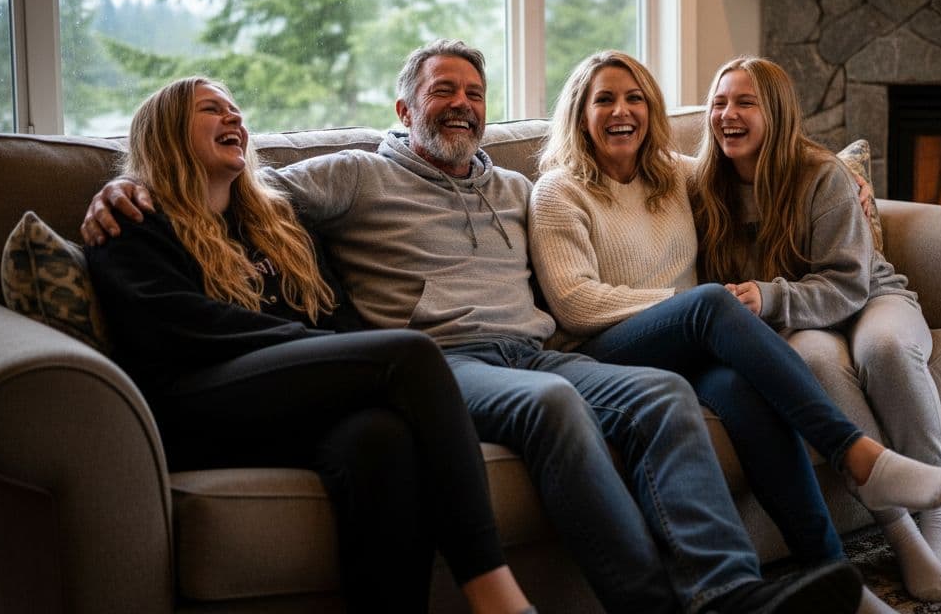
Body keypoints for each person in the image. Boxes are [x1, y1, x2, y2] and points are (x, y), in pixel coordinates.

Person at [81, 42, 865, 614]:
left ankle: (727, 596)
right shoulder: (356, 173)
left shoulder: (522, 187)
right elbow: (243, 190)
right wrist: (122, 189)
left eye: (474, 93)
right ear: (404, 109)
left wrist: (841, 175)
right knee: (553, 408)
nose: (461, 105)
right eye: (442, 91)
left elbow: (676, 173)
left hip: (539, 351)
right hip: (440, 365)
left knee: (660, 393)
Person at [528, 51, 941, 608]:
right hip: (605, 349)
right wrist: (687, 305)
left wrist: (847, 180)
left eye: (634, 97)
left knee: (746, 398)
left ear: (652, 110)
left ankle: (838, 581)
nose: (622, 111)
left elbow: (766, 166)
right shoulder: (557, 193)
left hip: (686, 346)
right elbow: (575, 304)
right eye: (604, 100)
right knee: (714, 303)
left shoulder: (674, 175)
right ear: (578, 114)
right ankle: (859, 457)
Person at [83, 77, 531, 614]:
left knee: (379, 437)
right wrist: (325, 352)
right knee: (410, 353)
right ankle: (499, 597)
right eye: (211, 110)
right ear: (166, 133)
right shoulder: (134, 219)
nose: (234, 120)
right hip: (197, 399)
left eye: (236, 110)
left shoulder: (276, 222)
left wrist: (333, 354)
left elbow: (333, 311)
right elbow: (178, 326)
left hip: (284, 399)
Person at [690, 56, 941, 598]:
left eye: (745, 102)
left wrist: (769, 295)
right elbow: (651, 159)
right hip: (796, 324)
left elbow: (848, 284)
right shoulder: (704, 183)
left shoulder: (820, 175)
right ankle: (898, 526)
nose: (728, 115)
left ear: (776, 113)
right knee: (813, 362)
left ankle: (937, 505)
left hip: (866, 298)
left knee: (885, 350)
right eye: (719, 103)